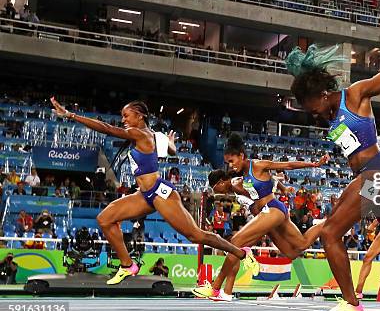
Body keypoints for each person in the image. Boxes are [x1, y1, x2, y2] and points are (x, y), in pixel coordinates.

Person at [285, 0, 380, 311]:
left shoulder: (355, 95)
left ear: (322, 94)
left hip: (377, 173)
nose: (313, 115)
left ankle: (350, 302)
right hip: (374, 177)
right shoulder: (331, 115)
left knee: (330, 233)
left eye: (312, 108)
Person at [49, 97, 259, 285]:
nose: (123, 119)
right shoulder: (151, 135)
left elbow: (106, 128)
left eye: (126, 115)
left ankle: (241, 253)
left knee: (195, 235)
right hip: (144, 195)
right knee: (105, 219)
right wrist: (169, 143)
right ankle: (127, 265)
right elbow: (172, 151)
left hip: (160, 193)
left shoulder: (140, 134)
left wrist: (70, 114)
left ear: (139, 116)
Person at [193, 136, 328, 301]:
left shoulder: (257, 165)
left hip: (273, 209)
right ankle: (326, 224)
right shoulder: (239, 179)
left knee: (235, 243)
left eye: (231, 160)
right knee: (296, 248)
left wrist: (314, 164)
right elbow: (256, 194)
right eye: (227, 162)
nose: (230, 165)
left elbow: (288, 165)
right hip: (268, 215)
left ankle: (215, 288)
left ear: (242, 156)